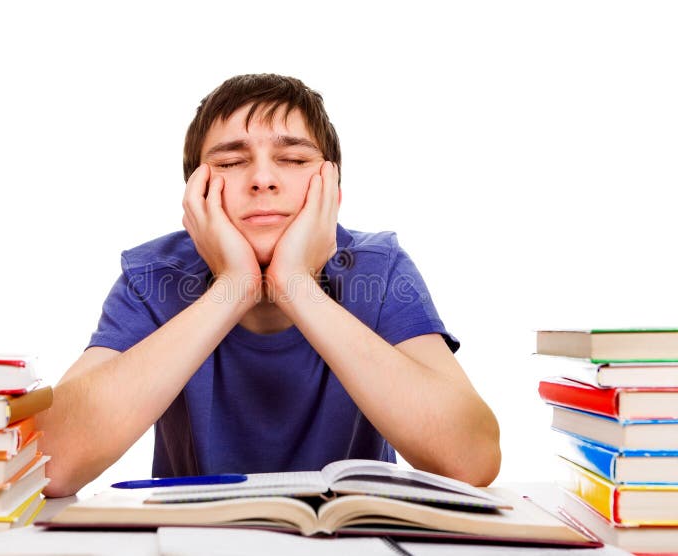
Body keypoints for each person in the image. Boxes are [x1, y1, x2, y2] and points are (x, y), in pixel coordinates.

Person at [37, 74, 501, 497]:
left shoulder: (379, 271)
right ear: (195, 193)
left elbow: (472, 459)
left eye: (294, 159)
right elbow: (48, 463)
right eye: (232, 161)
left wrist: (296, 286)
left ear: (331, 187)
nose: (262, 179)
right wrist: (233, 286)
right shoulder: (153, 276)